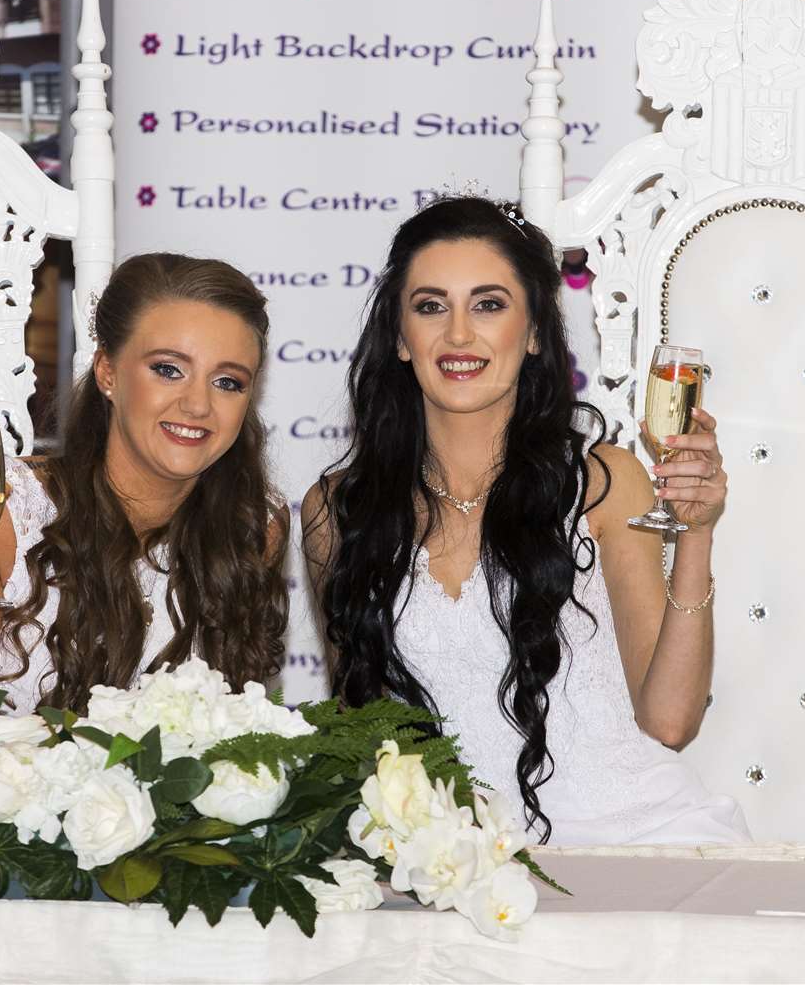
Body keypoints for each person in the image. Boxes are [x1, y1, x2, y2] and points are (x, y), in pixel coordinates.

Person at [302, 196, 749, 846]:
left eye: (489, 305)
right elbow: (361, 735)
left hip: (635, 839)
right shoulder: (339, 511)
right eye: (431, 307)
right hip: (453, 867)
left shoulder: (602, 482)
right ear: (400, 338)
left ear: (535, 331)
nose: (458, 335)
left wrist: (696, 534)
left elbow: (672, 722)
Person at [0, 253, 288, 712]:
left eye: (227, 382)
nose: (198, 405)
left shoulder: (253, 524)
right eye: (168, 369)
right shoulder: (13, 511)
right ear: (108, 372)